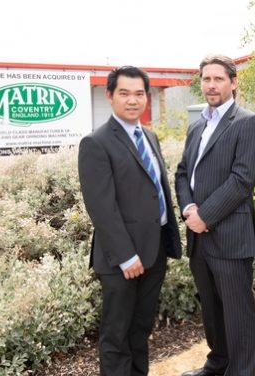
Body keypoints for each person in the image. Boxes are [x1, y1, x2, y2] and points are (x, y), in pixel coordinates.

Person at [78, 66, 182, 376]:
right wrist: (126, 256)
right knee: (117, 334)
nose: (132, 100)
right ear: (110, 96)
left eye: (139, 94)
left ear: (147, 97)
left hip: (154, 251)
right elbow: (101, 207)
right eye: (124, 93)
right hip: (122, 259)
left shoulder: (149, 136)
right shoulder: (96, 143)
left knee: (140, 330)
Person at [175, 54, 255, 376]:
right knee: (212, 311)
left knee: (238, 315)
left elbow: (242, 180)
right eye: (206, 79)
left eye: (218, 79)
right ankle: (217, 365)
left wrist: (206, 216)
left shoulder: (248, 122)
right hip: (198, 237)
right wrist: (189, 209)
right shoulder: (197, 125)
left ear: (233, 82)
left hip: (229, 237)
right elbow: (183, 172)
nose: (211, 85)